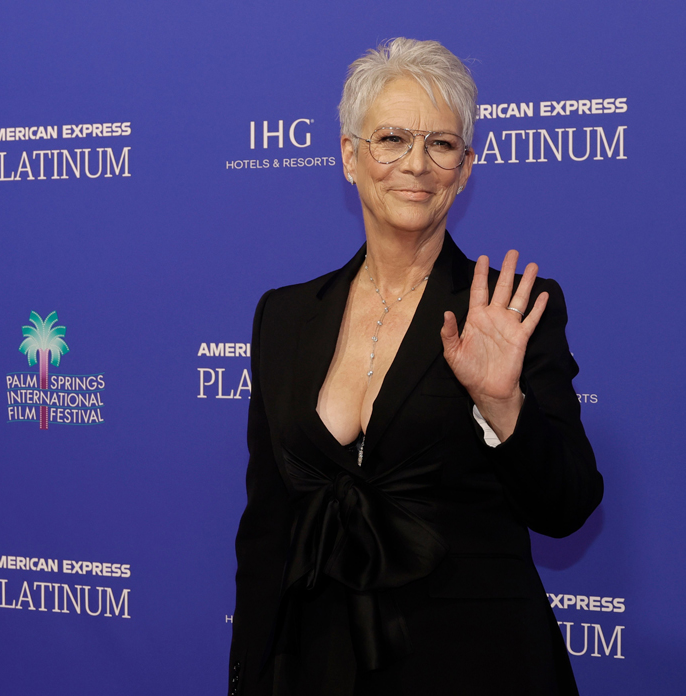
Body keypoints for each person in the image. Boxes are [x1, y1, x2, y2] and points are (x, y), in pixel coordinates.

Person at [229, 38, 603, 696]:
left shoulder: (511, 310)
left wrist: (501, 405)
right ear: (350, 156)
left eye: (442, 145)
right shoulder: (285, 317)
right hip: (314, 667)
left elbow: (567, 504)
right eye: (393, 139)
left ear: (465, 168)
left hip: (474, 668)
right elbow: (266, 531)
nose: (417, 165)